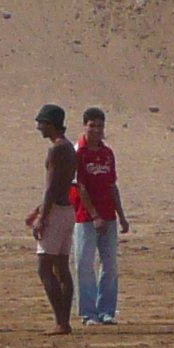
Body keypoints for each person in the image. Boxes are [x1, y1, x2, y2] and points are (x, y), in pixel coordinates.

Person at [70, 107, 127, 326]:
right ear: (85, 126)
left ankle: (106, 310)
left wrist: (121, 215)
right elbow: (80, 187)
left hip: (108, 215)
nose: (96, 130)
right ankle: (88, 313)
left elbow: (112, 185)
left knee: (110, 264)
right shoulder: (78, 153)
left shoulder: (107, 153)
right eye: (92, 125)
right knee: (84, 264)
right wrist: (94, 215)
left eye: (100, 126)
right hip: (85, 217)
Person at [25, 104, 78, 335]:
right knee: (61, 267)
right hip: (67, 210)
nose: (39, 128)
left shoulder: (57, 150)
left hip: (57, 211)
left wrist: (42, 217)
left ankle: (61, 321)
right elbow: (60, 185)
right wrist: (38, 210)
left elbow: (50, 188)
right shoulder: (69, 148)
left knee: (45, 268)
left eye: (42, 123)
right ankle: (64, 321)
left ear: (51, 123)